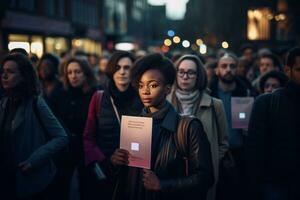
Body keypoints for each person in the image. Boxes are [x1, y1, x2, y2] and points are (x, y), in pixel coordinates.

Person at [110, 53, 214, 200]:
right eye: (141, 85)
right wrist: (116, 163)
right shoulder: (132, 125)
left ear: (167, 89)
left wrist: (163, 185)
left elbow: (205, 178)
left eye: (153, 85)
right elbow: (125, 179)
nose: (145, 91)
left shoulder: (188, 127)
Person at [0, 53, 68, 199]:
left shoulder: (36, 102)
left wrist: (34, 160)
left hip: (29, 178)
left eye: (10, 72)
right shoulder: (4, 103)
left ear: (23, 76)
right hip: (6, 177)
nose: (4, 76)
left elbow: (61, 137)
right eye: (3, 71)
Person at [168, 54, 229, 200]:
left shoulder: (215, 105)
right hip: (171, 173)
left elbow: (223, 142)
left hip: (201, 176)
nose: (185, 76)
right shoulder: (165, 102)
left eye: (191, 72)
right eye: (181, 71)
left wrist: (209, 159)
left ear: (198, 76)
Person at [83, 51, 143, 200]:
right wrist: (106, 160)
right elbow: (88, 137)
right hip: (106, 169)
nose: (122, 72)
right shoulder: (98, 97)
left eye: (127, 67)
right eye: (118, 67)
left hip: (136, 172)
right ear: (111, 70)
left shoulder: (143, 98)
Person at [246, 47, 300, 200]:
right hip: (276, 184)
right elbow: (254, 151)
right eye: (299, 69)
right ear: (287, 70)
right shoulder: (267, 102)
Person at [50, 57, 99, 200]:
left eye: (77, 72)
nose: (73, 76)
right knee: (62, 185)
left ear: (85, 73)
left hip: (87, 147)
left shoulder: (94, 94)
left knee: (87, 186)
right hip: (65, 148)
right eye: (70, 72)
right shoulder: (60, 93)